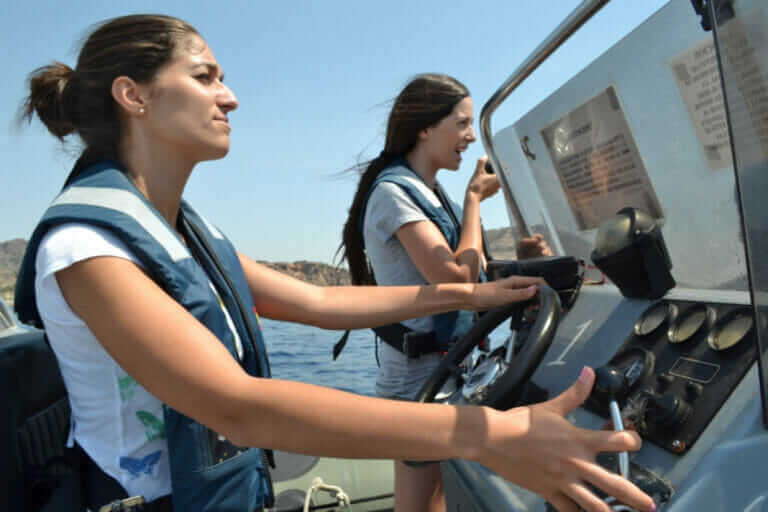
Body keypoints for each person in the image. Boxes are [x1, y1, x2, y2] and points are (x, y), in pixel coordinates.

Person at [15, 15, 655, 512]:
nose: (230, 97)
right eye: (205, 77)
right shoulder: (86, 247)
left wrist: (466, 298)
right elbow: (236, 406)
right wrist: (485, 432)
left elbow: (318, 304)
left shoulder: (180, 227)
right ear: (134, 95)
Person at [338, 74, 552, 512]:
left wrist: (521, 257)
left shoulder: (432, 196)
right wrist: (475, 200)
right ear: (425, 127)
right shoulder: (393, 194)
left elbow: (473, 275)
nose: (471, 137)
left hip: (451, 365)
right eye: (462, 124)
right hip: (417, 377)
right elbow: (455, 282)